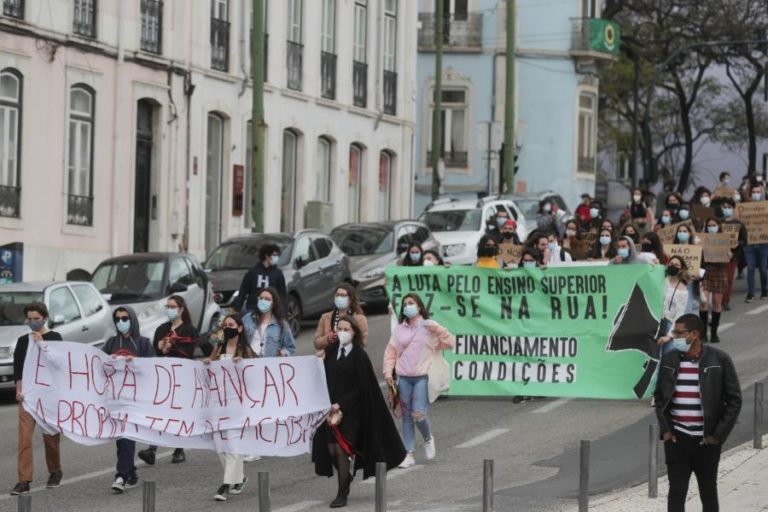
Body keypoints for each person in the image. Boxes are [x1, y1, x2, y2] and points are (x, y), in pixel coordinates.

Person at [313, 316, 405, 508]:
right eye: (340, 329)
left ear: (354, 332)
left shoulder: (359, 356)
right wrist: (316, 362)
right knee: (330, 450)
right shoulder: (330, 352)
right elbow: (323, 376)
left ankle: (342, 492)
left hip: (351, 411)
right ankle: (346, 476)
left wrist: (342, 404)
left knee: (341, 448)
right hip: (330, 410)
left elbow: (361, 387)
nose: (343, 332)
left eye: (347, 329)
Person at [654, 314, 741, 512]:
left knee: (708, 491)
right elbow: (660, 398)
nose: (674, 336)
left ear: (694, 334)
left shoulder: (719, 359)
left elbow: (734, 400)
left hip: (706, 443)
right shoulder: (669, 359)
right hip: (677, 440)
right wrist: (667, 431)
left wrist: (716, 436)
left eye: (679, 332)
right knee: (676, 492)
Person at [383, 294, 455, 469]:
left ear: (419, 307)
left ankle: (428, 438)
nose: (407, 307)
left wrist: (438, 329)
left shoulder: (428, 327)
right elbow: (390, 353)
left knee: (418, 414)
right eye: (405, 304)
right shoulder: (399, 330)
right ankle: (409, 453)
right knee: (406, 417)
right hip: (404, 379)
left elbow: (451, 342)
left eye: (411, 303)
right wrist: (388, 373)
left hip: (422, 377)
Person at [138, 295, 199, 465]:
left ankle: (179, 449)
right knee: (158, 412)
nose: (169, 309)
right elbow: (156, 354)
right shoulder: (161, 329)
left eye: (173, 306)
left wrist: (174, 346)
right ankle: (152, 449)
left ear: (181, 309)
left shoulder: (189, 330)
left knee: (177, 413)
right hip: (164, 377)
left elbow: (189, 352)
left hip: (181, 376)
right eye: (168, 306)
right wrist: (161, 348)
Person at [11, 302, 64, 496]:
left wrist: (42, 343)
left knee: (50, 439)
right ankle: (24, 480)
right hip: (28, 396)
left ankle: (55, 471)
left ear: (44, 318)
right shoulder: (23, 341)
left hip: (48, 396)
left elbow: (58, 363)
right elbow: (18, 368)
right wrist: (19, 389)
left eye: (36, 319)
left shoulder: (55, 338)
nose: (32, 322)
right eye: (30, 319)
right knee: (24, 440)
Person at [204, 314, 254, 502]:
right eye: (225, 325)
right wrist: (209, 364)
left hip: (238, 405)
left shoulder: (246, 350)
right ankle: (239, 477)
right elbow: (210, 372)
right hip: (219, 403)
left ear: (240, 328)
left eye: (231, 325)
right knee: (220, 444)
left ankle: (225, 484)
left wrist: (243, 365)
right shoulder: (219, 348)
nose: (227, 328)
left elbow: (256, 376)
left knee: (233, 443)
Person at [103, 307, 153, 494]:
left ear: (132, 319)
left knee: (126, 435)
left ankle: (121, 475)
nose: (121, 322)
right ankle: (130, 472)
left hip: (136, 398)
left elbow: (153, 370)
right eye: (117, 319)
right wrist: (109, 361)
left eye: (125, 318)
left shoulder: (143, 343)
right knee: (123, 438)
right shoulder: (111, 343)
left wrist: (137, 363)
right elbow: (100, 366)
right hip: (117, 399)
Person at [232, 243, 287, 336]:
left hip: (271, 311)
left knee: (269, 336)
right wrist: (236, 308)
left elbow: (282, 295)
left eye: (277, 255)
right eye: (274, 255)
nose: (276, 257)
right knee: (251, 335)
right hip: (253, 309)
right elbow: (243, 291)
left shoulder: (278, 274)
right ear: (266, 255)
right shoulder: (252, 272)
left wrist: (283, 313)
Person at [314, 283, 369, 350]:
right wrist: (328, 339)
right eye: (337, 295)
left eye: (343, 295)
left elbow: (362, 343)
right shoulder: (325, 317)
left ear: (351, 299)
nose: (339, 298)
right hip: (329, 358)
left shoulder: (360, 319)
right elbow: (317, 343)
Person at [699, 218, 728, 343]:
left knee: (717, 303)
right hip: (706, 273)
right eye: (709, 225)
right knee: (703, 302)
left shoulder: (724, 240)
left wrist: (729, 255)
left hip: (719, 272)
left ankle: (714, 333)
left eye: (714, 225)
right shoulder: (701, 240)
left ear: (718, 226)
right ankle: (704, 333)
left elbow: (730, 255)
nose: (711, 227)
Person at [246, 287, 296, 357]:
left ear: (273, 303)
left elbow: (290, 348)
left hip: (270, 365)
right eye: (261, 298)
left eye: (267, 299)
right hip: (249, 363)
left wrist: (283, 353)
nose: (263, 301)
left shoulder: (282, 324)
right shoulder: (247, 318)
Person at [657, 257, 691, 355]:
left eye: (676, 265)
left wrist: (669, 336)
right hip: (655, 322)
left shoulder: (683, 291)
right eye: (671, 263)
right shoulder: (660, 281)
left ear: (681, 270)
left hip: (670, 325)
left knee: (667, 358)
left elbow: (678, 316)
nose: (673, 266)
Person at [719, 198, 747, 311]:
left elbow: (745, 240)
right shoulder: (718, 223)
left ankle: (725, 301)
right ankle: (718, 300)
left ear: (733, 209)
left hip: (733, 256)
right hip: (718, 256)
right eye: (725, 207)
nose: (727, 209)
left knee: (729, 279)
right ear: (721, 208)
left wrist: (737, 243)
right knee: (720, 279)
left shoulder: (739, 224)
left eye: (729, 207)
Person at [743, 183, 768, 302]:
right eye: (754, 192)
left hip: (764, 243)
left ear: (762, 194)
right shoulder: (745, 208)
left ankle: (764, 290)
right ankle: (751, 293)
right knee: (751, 267)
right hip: (750, 243)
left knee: (763, 268)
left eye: (758, 192)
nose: (756, 194)